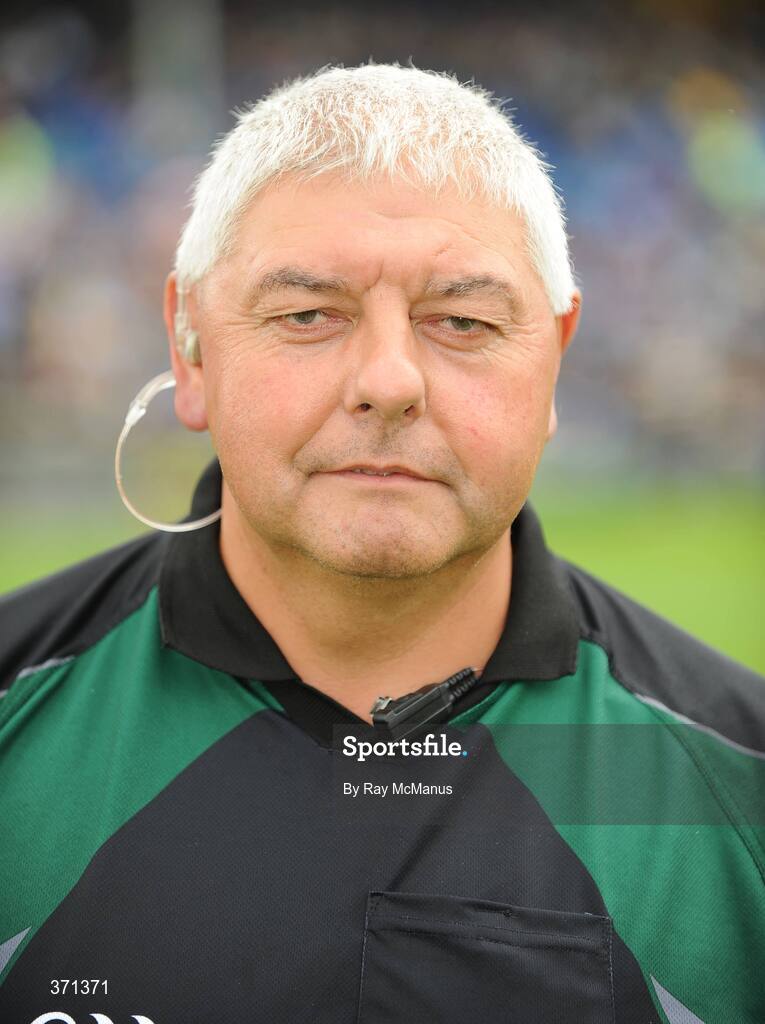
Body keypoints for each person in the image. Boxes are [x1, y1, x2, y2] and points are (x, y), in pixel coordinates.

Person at [0, 63, 762, 1024]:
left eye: (463, 321)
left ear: (554, 360)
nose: (389, 380)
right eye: (307, 314)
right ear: (189, 345)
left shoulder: (740, 785)